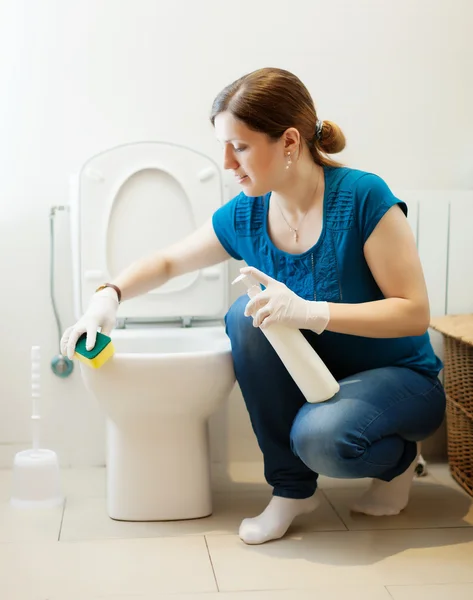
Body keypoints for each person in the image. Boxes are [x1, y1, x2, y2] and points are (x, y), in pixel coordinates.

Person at [61, 67, 446, 546]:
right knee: (245, 319)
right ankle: (292, 491)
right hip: (321, 376)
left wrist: (311, 312)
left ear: (288, 141)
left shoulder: (364, 198)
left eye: (239, 146)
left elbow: (414, 312)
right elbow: (166, 261)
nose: (227, 162)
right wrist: (107, 299)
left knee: (319, 439)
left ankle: (399, 461)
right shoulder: (246, 213)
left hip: (401, 379)